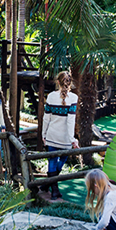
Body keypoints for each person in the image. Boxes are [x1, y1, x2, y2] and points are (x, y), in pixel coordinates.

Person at [41, 71, 79, 200]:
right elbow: (70, 121)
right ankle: (54, 190)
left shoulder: (51, 96)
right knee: (62, 160)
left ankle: (48, 185)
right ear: (70, 82)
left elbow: (46, 118)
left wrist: (43, 134)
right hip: (65, 138)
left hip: (52, 135)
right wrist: (72, 139)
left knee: (52, 161)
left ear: (57, 82)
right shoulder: (73, 98)